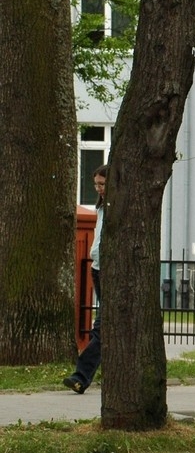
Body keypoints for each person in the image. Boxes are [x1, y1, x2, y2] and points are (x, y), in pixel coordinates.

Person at [64, 165, 108, 394]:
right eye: (96, 184)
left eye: (102, 184)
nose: (98, 188)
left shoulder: (117, 206)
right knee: (107, 326)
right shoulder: (101, 207)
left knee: (103, 326)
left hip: (110, 271)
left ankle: (81, 376)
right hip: (97, 269)